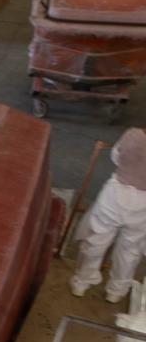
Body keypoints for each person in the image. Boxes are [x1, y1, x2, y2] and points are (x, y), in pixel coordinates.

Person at [70, 128, 146, 302]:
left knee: (96, 240)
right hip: (143, 205)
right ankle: (116, 291)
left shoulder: (134, 135)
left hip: (116, 196)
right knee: (130, 250)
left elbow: (116, 156)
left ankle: (81, 283)